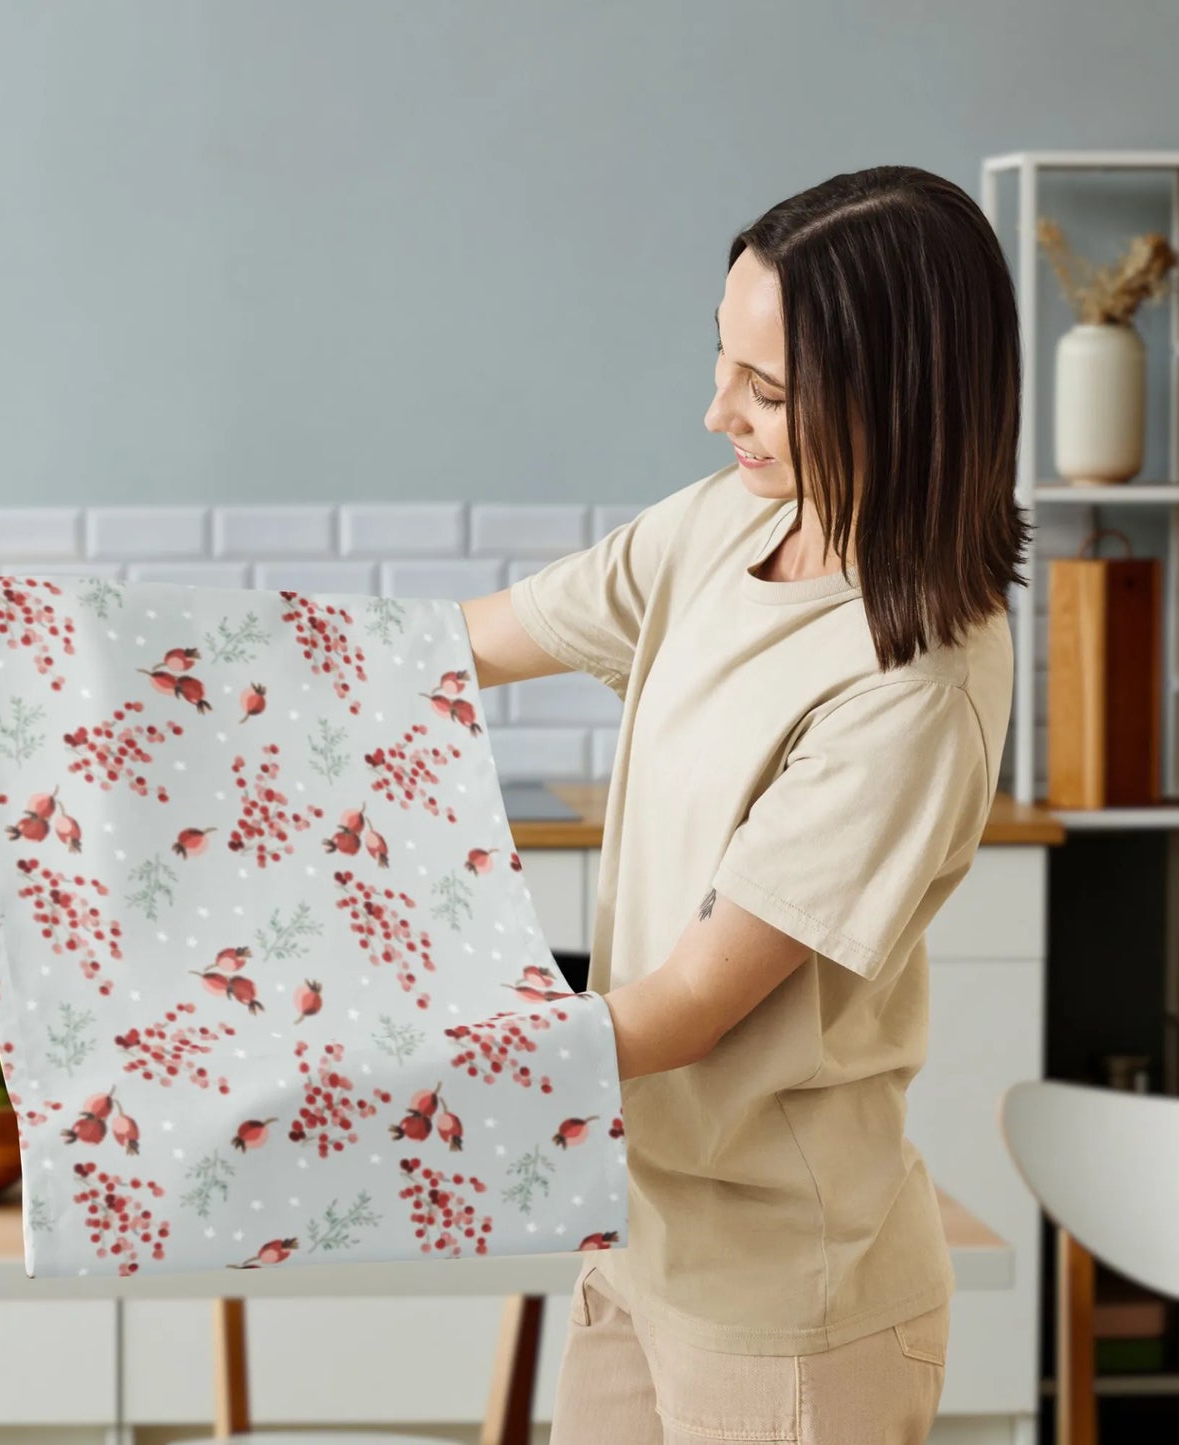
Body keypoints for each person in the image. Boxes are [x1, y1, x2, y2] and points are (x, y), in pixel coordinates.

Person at [458, 164, 1029, 1443]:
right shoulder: (726, 522)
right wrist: (156, 681)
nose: (717, 409)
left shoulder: (914, 682)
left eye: (767, 390)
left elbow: (690, 1008)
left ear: (903, 396)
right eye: (724, 361)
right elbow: (462, 644)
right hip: (638, 1231)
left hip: (788, 1304)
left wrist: (406, 1061)